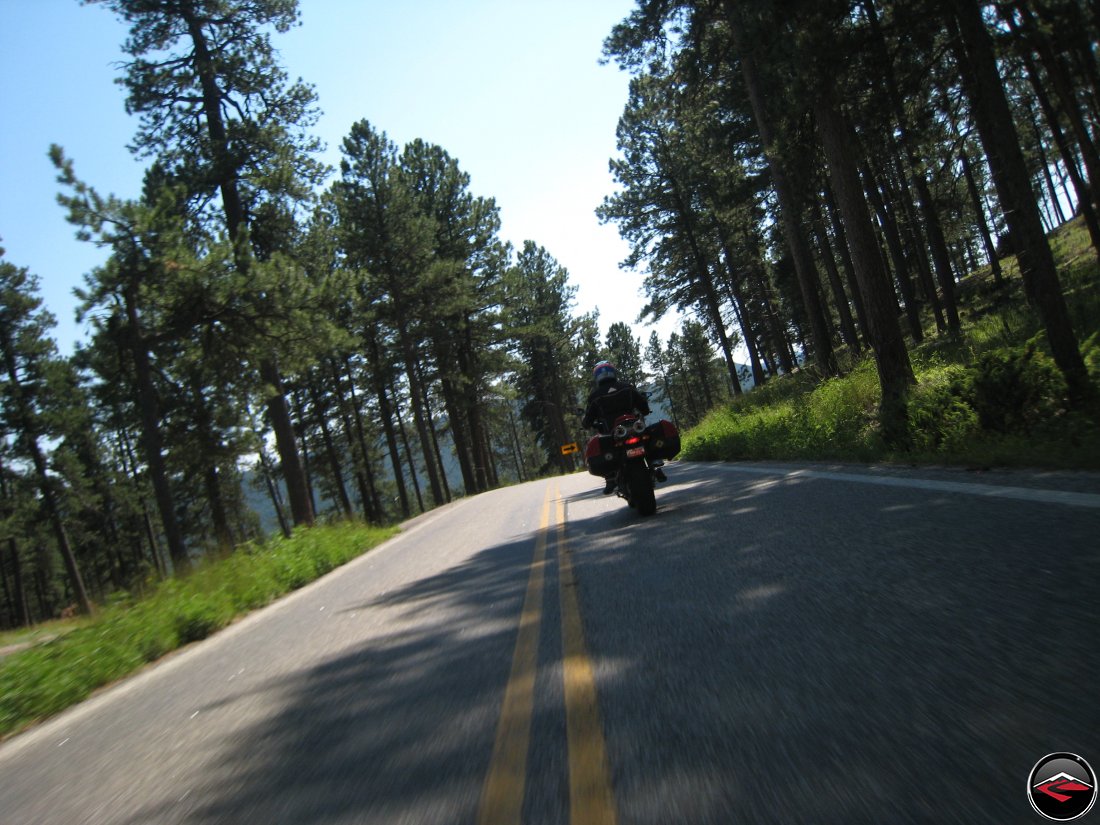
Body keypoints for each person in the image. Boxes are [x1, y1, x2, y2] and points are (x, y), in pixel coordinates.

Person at [582, 360, 666, 493]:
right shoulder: (627, 387)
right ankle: (654, 461)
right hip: (634, 427)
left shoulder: (595, 396)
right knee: (645, 435)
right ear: (613, 372)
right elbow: (643, 407)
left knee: (605, 447)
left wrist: (587, 423)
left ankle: (610, 477)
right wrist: (643, 410)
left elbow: (587, 420)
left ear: (597, 376)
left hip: (613, 433)